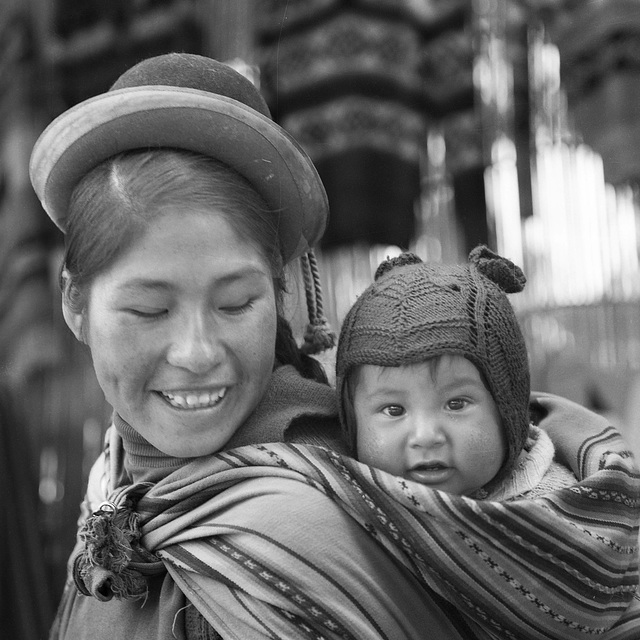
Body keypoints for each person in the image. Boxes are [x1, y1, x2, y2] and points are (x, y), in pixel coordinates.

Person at [31, 52, 639, 640]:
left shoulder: (305, 521)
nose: (196, 352)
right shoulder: (117, 481)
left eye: (236, 304)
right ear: (74, 305)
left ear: (279, 298)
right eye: (148, 310)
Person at [335, 247, 577, 502]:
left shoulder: (559, 507)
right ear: (351, 422)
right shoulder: (344, 508)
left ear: (511, 418)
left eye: (456, 404)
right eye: (394, 410)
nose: (426, 436)